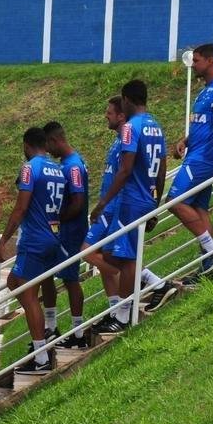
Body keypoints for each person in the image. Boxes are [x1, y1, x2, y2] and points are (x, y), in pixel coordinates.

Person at [90, 79, 166, 328]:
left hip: (131, 199)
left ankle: (124, 315)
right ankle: (137, 296)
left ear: (127, 100)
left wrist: (103, 202)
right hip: (145, 198)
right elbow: (162, 169)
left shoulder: (131, 127)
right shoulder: (156, 126)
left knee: (128, 258)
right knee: (112, 254)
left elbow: (125, 170)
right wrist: (155, 203)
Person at [166, 43, 213, 293]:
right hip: (195, 154)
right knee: (199, 208)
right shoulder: (205, 91)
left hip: (205, 160)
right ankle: (209, 264)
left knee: (174, 201)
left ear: (210, 60)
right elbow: (204, 124)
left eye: (197, 60)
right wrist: (185, 141)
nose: (193, 65)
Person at [0, 127, 67, 375]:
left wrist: (3, 240)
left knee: (28, 295)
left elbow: (21, 207)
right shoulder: (57, 169)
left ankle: (40, 356)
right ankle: (42, 340)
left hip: (34, 239)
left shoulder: (30, 168)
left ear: (27, 145)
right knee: (14, 282)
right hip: (52, 234)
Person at [41, 122, 89, 349]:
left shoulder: (73, 167)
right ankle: (51, 326)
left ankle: (78, 332)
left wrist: (58, 221)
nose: (48, 151)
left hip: (71, 232)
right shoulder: (66, 164)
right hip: (62, 232)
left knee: (70, 279)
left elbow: (77, 203)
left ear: (55, 140)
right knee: (46, 274)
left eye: (48, 145)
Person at [81, 96, 126, 333]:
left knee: (87, 250)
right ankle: (115, 311)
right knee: (104, 258)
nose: (106, 115)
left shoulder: (126, 143)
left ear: (121, 116)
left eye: (110, 112)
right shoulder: (116, 142)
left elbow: (125, 176)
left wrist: (104, 204)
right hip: (106, 206)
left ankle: (142, 277)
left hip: (113, 207)